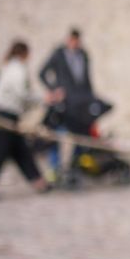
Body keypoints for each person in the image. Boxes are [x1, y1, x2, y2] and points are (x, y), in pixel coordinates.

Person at [0, 41, 56, 199]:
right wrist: (43, 99)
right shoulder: (18, 69)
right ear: (24, 53)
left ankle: (38, 181)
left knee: (21, 151)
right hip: (5, 115)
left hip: (8, 115)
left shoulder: (9, 68)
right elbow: (22, 93)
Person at [39, 28, 93, 185]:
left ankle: (74, 169)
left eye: (77, 41)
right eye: (72, 40)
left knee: (80, 137)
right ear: (67, 40)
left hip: (80, 104)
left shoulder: (83, 55)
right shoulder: (58, 54)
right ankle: (54, 170)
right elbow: (42, 72)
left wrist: (90, 98)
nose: (74, 44)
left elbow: (87, 79)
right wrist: (53, 90)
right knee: (56, 135)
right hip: (62, 104)